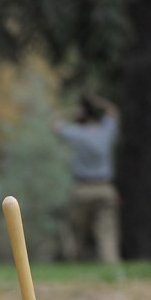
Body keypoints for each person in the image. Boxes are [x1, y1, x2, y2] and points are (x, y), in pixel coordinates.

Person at [54, 92, 121, 266]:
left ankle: (75, 263)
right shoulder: (106, 132)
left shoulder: (78, 134)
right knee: (106, 231)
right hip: (105, 188)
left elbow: (53, 123)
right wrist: (97, 102)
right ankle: (111, 265)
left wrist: (72, 112)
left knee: (77, 231)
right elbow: (113, 110)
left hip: (82, 188)